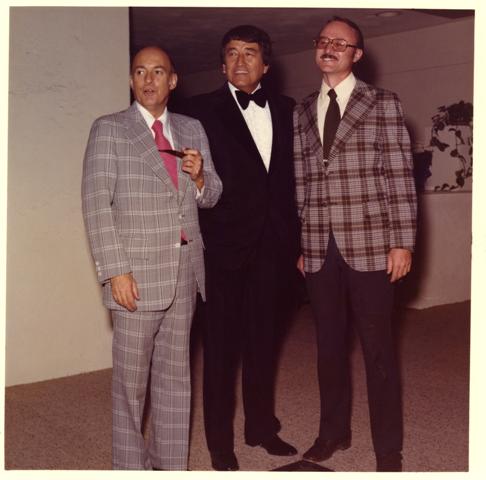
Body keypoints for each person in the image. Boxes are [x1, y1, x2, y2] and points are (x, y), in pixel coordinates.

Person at [81, 46, 222, 470]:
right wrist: (115, 272)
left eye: (158, 72)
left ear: (173, 81)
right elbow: (94, 204)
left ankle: (169, 465)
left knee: (175, 377)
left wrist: (199, 177)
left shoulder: (192, 128)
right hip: (136, 276)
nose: (148, 80)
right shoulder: (110, 129)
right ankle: (129, 469)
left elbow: (213, 195)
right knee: (130, 383)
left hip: (185, 270)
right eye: (139, 72)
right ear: (131, 80)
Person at [293, 17, 417, 472]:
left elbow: (400, 177)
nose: (329, 48)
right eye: (324, 41)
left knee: (378, 350)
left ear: (356, 55)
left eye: (340, 43)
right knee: (328, 346)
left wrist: (402, 241)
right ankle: (333, 432)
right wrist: (305, 241)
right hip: (320, 246)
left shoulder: (382, 103)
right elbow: (303, 181)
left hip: (370, 244)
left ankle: (388, 448)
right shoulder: (302, 110)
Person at [183, 25, 300, 471]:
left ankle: (262, 429)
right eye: (231, 54)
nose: (239, 61)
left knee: (263, 344)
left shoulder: (289, 111)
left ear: (266, 65)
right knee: (220, 351)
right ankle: (219, 444)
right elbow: (190, 182)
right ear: (221, 64)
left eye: (249, 53)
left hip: (275, 249)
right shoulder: (196, 112)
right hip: (223, 251)